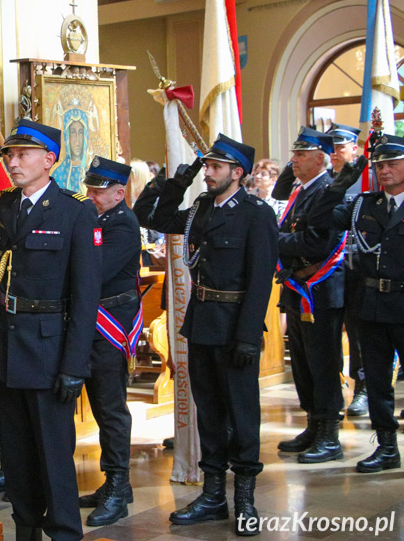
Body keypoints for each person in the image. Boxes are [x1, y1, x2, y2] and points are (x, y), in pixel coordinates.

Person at [0, 118, 101, 541]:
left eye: (22, 154)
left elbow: (86, 298)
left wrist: (75, 365)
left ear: (49, 160)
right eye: (9, 154)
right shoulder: (4, 207)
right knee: (16, 453)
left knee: (54, 456)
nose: (12, 162)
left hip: (51, 350)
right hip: (8, 347)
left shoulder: (74, 211)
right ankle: (26, 527)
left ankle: (65, 532)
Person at [133, 135, 277, 537]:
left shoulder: (255, 214)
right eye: (207, 166)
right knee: (209, 412)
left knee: (242, 415)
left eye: (215, 167)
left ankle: (245, 498)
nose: (209, 172)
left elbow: (260, 278)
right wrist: (177, 182)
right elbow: (154, 218)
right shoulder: (199, 209)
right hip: (202, 324)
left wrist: (249, 335)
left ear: (238, 172)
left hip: (235, 328)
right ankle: (213, 494)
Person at [308, 134, 404, 473]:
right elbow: (317, 219)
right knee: (377, 382)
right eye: (380, 165)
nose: (384, 170)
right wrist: (338, 186)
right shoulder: (364, 204)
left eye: (392, 163)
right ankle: (387, 447)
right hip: (371, 304)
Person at [275, 127, 346, 464]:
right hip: (297, 289)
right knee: (303, 364)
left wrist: (275, 244)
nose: (294, 161)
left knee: (323, 362)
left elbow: (319, 242)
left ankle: (330, 433)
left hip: (320, 291)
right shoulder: (301, 192)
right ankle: (313, 425)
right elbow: (289, 231)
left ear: (320, 159)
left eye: (301, 155)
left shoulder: (329, 192)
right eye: (295, 154)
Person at [78, 157, 139, 527]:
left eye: (99, 191)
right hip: (92, 321)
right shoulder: (98, 218)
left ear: (120, 193)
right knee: (101, 407)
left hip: (110, 323)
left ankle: (118, 486)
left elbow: (95, 273)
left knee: (111, 408)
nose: (91, 196)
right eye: (90, 189)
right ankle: (115, 482)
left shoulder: (124, 226)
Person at [326, 123, 369, 417]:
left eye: (340, 147)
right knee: (327, 335)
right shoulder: (325, 182)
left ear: (354, 147)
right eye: (331, 149)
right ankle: (332, 389)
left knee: (358, 334)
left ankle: (362, 388)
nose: (335, 154)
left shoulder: (365, 180)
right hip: (326, 270)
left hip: (355, 267)